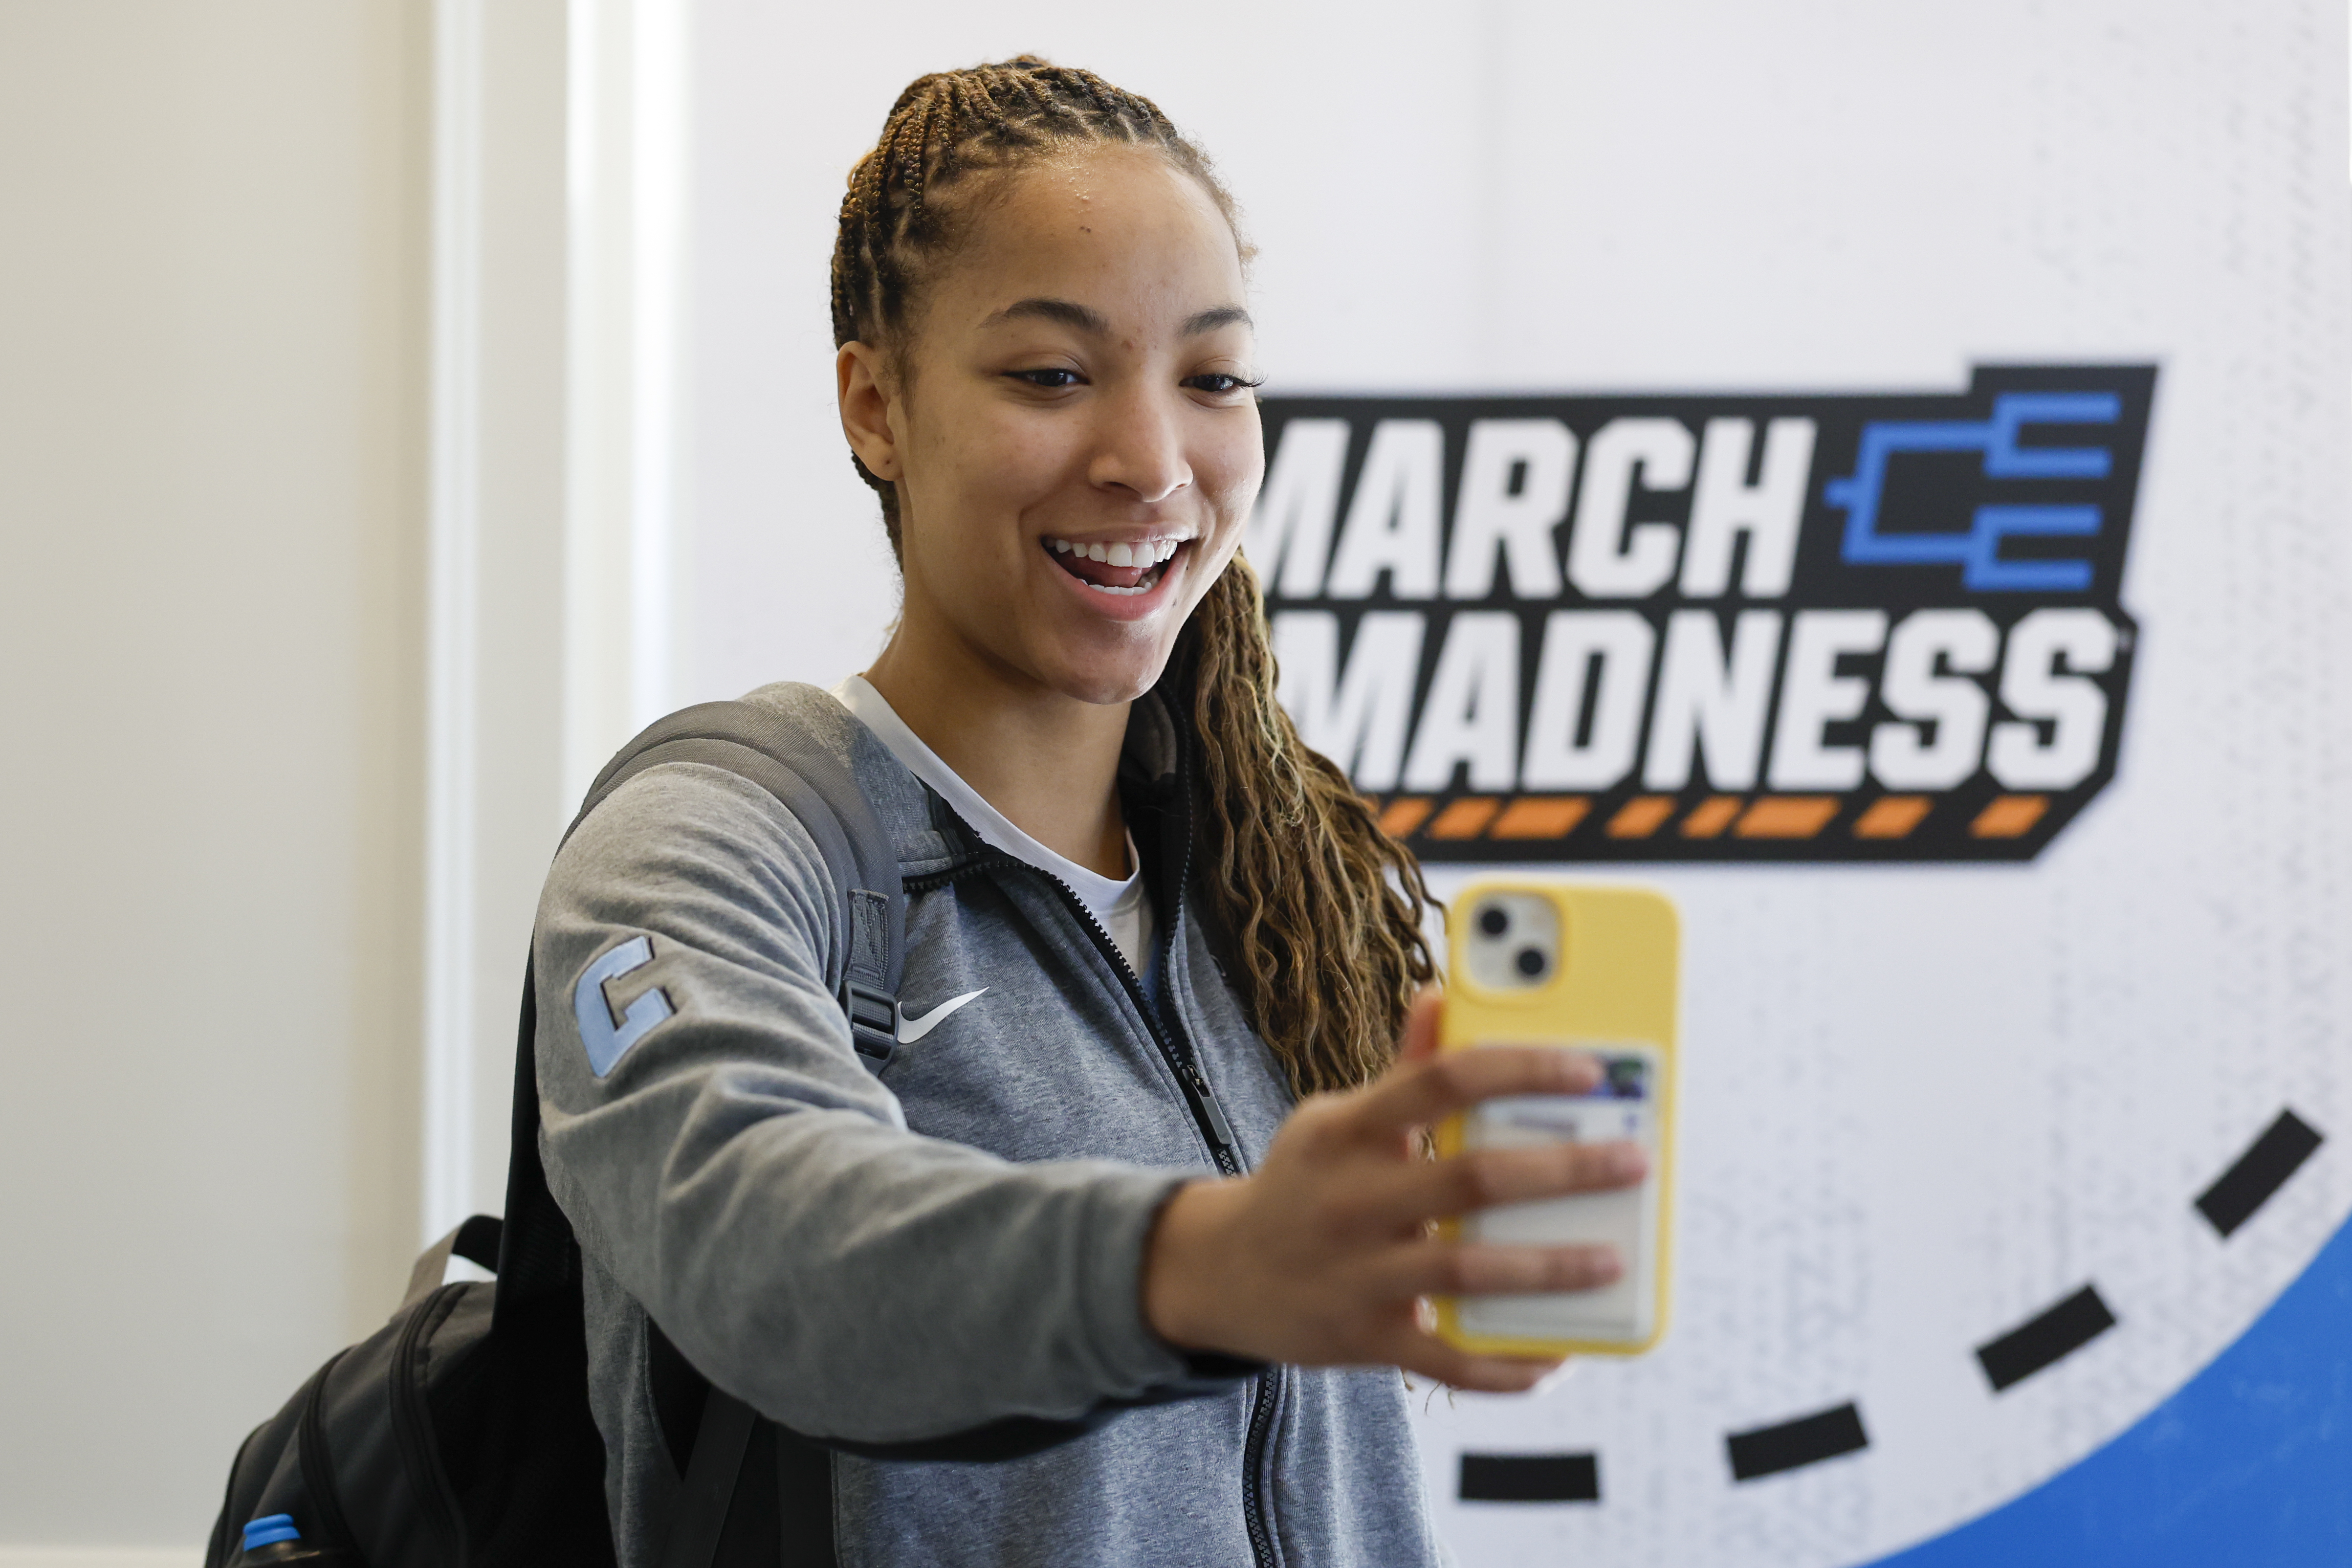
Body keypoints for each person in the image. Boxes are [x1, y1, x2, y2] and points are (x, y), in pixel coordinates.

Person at [534, 56, 1645, 1568]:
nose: (1149, 460)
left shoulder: (1271, 889)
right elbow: (763, 1243)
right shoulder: (712, 845)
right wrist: (1193, 1267)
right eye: (1053, 376)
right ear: (876, 405)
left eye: (1211, 378)